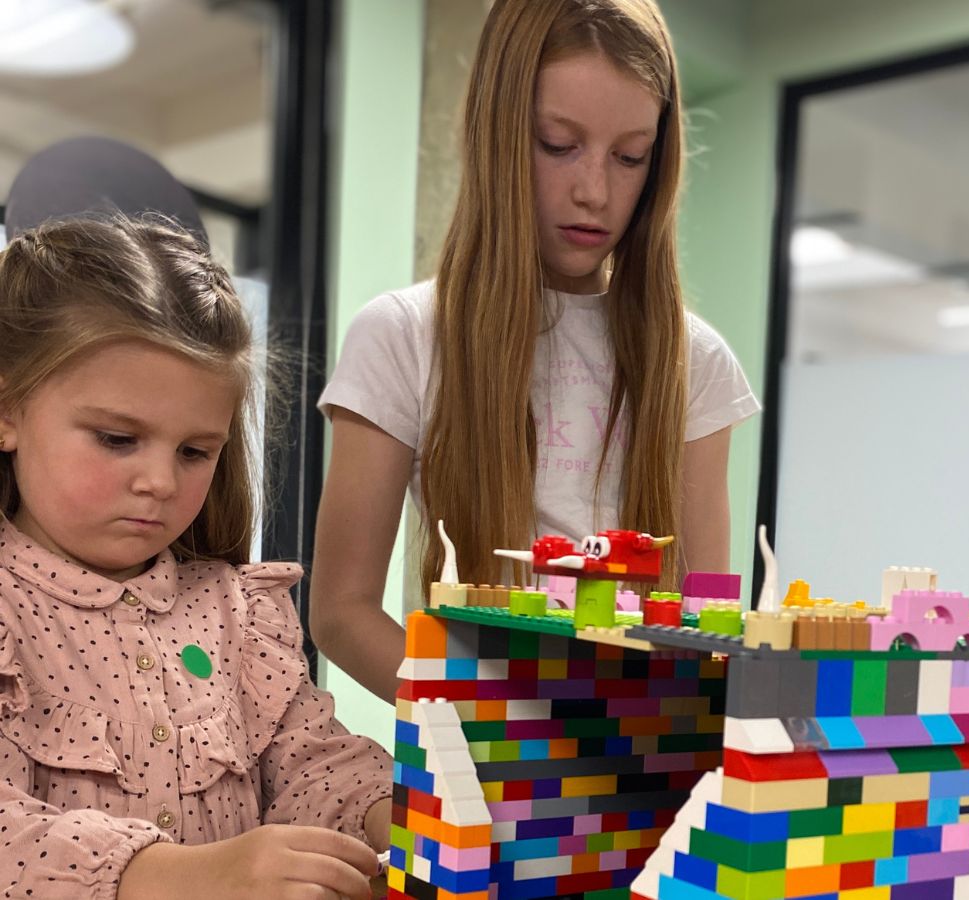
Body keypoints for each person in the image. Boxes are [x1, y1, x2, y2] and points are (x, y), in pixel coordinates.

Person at [313, 0, 760, 701]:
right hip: (480, 762)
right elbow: (340, 613)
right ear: (497, 134)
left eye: (629, 157)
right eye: (558, 144)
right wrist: (498, 723)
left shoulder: (696, 362)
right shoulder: (401, 335)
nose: (594, 192)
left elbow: (707, 624)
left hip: (643, 768)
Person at [0, 217, 392, 900]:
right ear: (7, 412)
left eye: (194, 451)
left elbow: (314, 762)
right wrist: (169, 876)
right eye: (119, 439)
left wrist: (397, 821)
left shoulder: (238, 612)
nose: (160, 481)